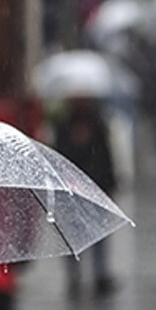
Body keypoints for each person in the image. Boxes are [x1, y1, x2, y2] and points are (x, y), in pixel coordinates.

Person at [53, 99, 119, 296]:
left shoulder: (97, 123)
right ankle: (74, 277)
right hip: (72, 188)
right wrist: (76, 142)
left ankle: (100, 275)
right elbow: (60, 157)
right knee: (73, 234)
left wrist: (110, 182)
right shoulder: (64, 125)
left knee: (99, 234)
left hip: (95, 185)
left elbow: (105, 155)